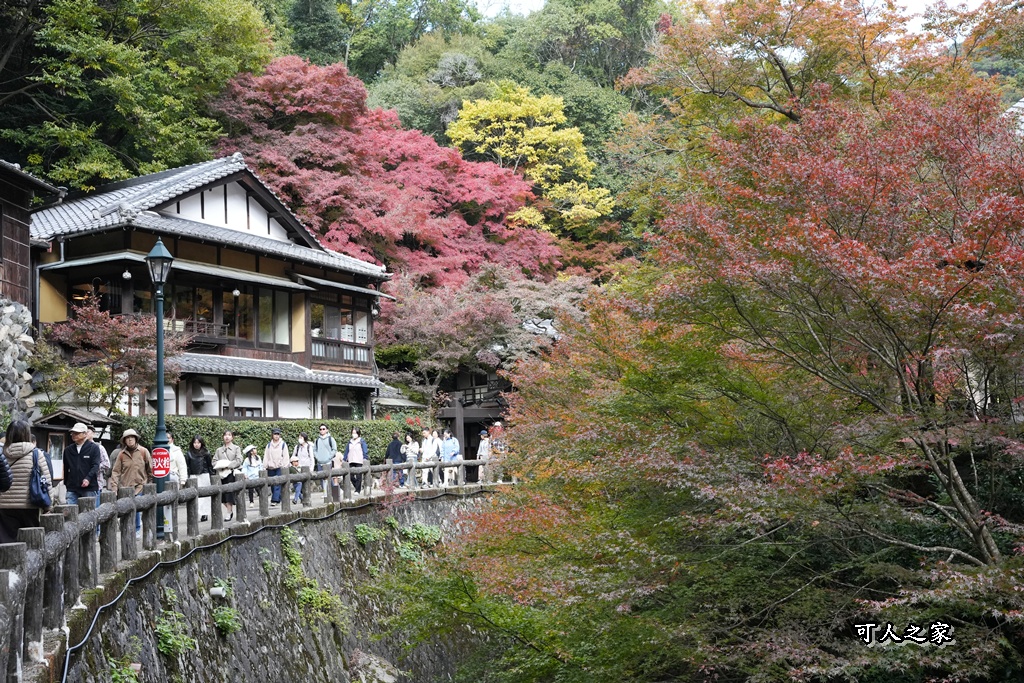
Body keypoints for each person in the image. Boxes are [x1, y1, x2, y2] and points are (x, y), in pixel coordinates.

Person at [0, 420, 51, 543]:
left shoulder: (2, 453)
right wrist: (48, 506)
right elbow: (46, 480)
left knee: (7, 542)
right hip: (30, 504)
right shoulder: (36, 453)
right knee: (31, 542)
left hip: (4, 506)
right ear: (27, 434)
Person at [108, 429, 153, 534]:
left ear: (136, 439)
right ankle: (127, 530)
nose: (130, 440)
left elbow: (150, 469)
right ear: (124, 441)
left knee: (136, 508)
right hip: (125, 488)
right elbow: (115, 472)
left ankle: (137, 529)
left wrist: (149, 483)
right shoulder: (121, 454)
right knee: (126, 509)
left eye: (132, 437)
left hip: (140, 486)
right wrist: (114, 488)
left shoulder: (143, 451)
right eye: (127, 438)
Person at [63, 422, 101, 507]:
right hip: (72, 487)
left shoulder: (94, 448)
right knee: (70, 513)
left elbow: (95, 466)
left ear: (85, 434)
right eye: (72, 433)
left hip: (89, 487)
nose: (73, 435)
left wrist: (88, 478)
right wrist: (66, 483)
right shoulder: (68, 450)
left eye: (77, 433)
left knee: (89, 513)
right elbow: (65, 468)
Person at [214, 430, 243, 522]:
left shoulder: (236, 448)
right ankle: (229, 510)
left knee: (229, 492)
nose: (227, 437)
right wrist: (220, 464)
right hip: (221, 474)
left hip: (231, 472)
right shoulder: (219, 450)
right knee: (221, 494)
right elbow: (213, 461)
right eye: (225, 435)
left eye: (229, 435)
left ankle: (229, 512)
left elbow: (239, 460)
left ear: (232, 437)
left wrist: (229, 465)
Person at [186, 436, 212, 522]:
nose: (196, 445)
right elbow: (188, 466)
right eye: (195, 443)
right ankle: (196, 513)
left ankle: (204, 513)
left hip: (204, 474)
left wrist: (211, 475)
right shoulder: (189, 453)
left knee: (205, 496)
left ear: (201, 443)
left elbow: (209, 465)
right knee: (194, 495)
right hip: (193, 475)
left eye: (198, 443)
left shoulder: (206, 453)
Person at [263, 428, 289, 505]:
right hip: (270, 467)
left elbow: (286, 456)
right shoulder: (268, 445)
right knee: (272, 484)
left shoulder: (283, 444)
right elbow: (266, 456)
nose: (276, 436)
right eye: (275, 434)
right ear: (272, 435)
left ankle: (274, 500)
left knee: (277, 484)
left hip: (279, 467)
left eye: (278, 434)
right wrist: (264, 466)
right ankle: (278, 498)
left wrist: (284, 465)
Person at [313, 423, 337, 496]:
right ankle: (325, 492)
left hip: (328, 462)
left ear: (327, 430)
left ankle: (334, 492)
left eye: (323, 429)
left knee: (329, 478)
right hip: (320, 462)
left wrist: (329, 457)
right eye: (320, 429)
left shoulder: (331, 439)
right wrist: (317, 457)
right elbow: (314, 450)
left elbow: (334, 449)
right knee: (321, 478)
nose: (322, 430)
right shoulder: (317, 440)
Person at [344, 428, 368, 494]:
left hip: (359, 460)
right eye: (353, 433)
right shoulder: (350, 441)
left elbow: (364, 450)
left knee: (358, 476)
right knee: (350, 476)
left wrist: (365, 457)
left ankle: (357, 490)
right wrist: (344, 458)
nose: (353, 434)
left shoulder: (361, 441)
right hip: (351, 460)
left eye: (355, 433)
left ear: (358, 433)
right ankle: (357, 486)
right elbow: (347, 451)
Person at [89, 427, 111, 493]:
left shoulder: (99, 447)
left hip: (96, 483)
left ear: (93, 434)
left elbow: (107, 464)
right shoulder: (79, 448)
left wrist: (94, 467)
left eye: (87, 432)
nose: (85, 434)